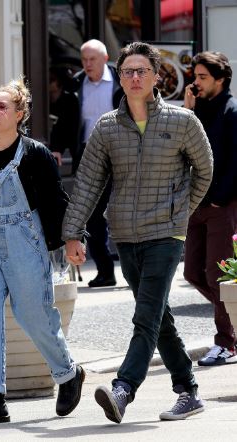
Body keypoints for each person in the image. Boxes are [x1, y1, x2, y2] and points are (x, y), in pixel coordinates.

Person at [62, 41, 213, 423]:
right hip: (126, 235)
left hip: (166, 234)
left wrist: (180, 212)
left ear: (156, 76)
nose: (133, 77)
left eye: (141, 71)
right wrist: (73, 233)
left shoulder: (182, 122)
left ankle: (123, 389)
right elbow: (88, 183)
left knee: (145, 316)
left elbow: (205, 170)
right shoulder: (108, 128)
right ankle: (188, 390)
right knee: (158, 315)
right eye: (127, 71)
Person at [0, 78, 85, 425]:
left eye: (2, 106)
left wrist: (71, 240)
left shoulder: (34, 154)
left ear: (19, 113)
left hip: (25, 242)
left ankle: (68, 374)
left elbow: (56, 201)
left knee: (33, 314)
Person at [183, 51, 237, 366]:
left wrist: (220, 197)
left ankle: (226, 343)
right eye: (195, 76)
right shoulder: (197, 111)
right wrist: (189, 109)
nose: (196, 82)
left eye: (203, 77)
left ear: (220, 79)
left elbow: (235, 162)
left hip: (220, 204)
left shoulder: (231, 112)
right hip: (196, 203)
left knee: (218, 275)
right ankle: (232, 323)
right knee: (193, 271)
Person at [72, 39, 124, 288]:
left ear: (104, 59)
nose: (87, 64)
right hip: (88, 156)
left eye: (92, 59)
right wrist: (60, 148)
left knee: (124, 213)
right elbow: (67, 119)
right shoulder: (76, 83)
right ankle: (105, 271)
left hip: (120, 155)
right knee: (92, 216)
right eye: (84, 59)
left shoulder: (121, 80)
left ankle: (136, 270)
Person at [49, 66, 80, 167]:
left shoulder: (70, 101)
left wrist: (60, 148)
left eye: (51, 80)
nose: (48, 83)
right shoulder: (43, 100)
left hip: (67, 153)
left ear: (60, 83)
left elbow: (72, 129)